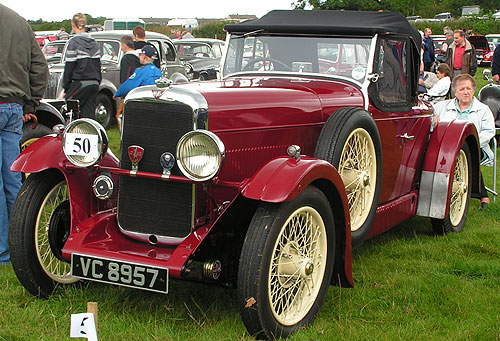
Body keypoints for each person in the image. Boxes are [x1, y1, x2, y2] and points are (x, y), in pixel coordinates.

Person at [0, 4, 49, 265]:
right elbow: (40, 68)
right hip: (13, 108)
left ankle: (4, 252)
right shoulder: (19, 22)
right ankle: (18, 245)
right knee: (12, 179)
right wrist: (29, 106)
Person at [433, 74, 495, 210]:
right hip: (446, 147)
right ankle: (479, 196)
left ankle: (480, 196)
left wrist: (473, 143)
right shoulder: (440, 106)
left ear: (473, 91)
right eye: (461, 89)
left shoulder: (483, 110)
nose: (465, 92)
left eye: (468, 88)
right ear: (455, 92)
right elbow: (431, 123)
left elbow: (489, 132)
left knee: (467, 157)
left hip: (477, 148)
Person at [63, 13, 101, 119]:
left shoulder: (73, 42)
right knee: (88, 115)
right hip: (94, 82)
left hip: (80, 82)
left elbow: (69, 67)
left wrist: (66, 87)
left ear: (72, 24)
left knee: (68, 108)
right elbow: (97, 65)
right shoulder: (94, 43)